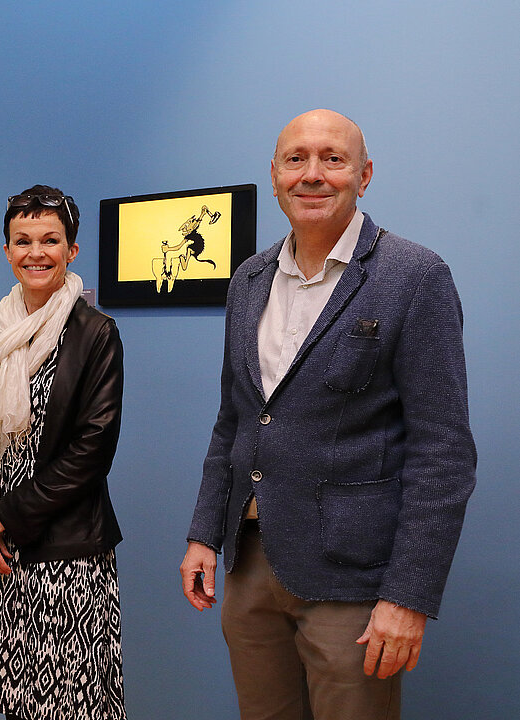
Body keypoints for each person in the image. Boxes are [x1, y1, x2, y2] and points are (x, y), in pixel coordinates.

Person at [179, 110, 476, 719]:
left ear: (363, 176)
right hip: (250, 560)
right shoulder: (249, 280)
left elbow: (443, 454)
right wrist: (204, 533)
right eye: (296, 159)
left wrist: (408, 595)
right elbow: (234, 421)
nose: (312, 174)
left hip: (354, 581)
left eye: (332, 160)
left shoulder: (413, 276)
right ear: (275, 175)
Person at [0, 186, 126, 720]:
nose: (36, 252)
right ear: (7, 250)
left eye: (51, 240)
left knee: (67, 704)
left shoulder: (96, 333)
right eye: (22, 240)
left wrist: (5, 515)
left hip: (64, 552)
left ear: (72, 250)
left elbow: (92, 448)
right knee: (13, 696)